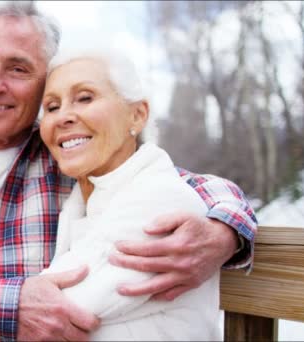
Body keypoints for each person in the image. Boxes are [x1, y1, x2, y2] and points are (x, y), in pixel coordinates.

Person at [0, 2, 257, 341]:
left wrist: (225, 229)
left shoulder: (65, 153)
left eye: (17, 69)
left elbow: (170, 183)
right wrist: (8, 307)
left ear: (44, 85)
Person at [39, 49, 221, 340]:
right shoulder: (80, 203)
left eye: (85, 97)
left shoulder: (161, 198)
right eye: (51, 107)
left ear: (137, 115)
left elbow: (47, 314)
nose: (63, 117)